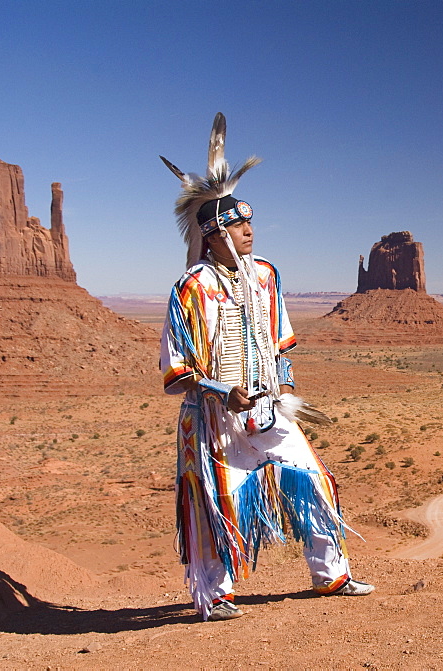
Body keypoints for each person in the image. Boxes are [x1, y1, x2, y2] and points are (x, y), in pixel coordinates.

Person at [159, 113, 373, 622]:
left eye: (250, 222)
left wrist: (285, 392)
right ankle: (216, 594)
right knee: (220, 499)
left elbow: (279, 342)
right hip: (217, 418)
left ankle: (332, 573)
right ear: (213, 235)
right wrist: (219, 390)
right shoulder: (191, 288)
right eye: (237, 224)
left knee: (314, 479)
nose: (249, 231)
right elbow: (176, 370)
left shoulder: (266, 275)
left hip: (270, 405)